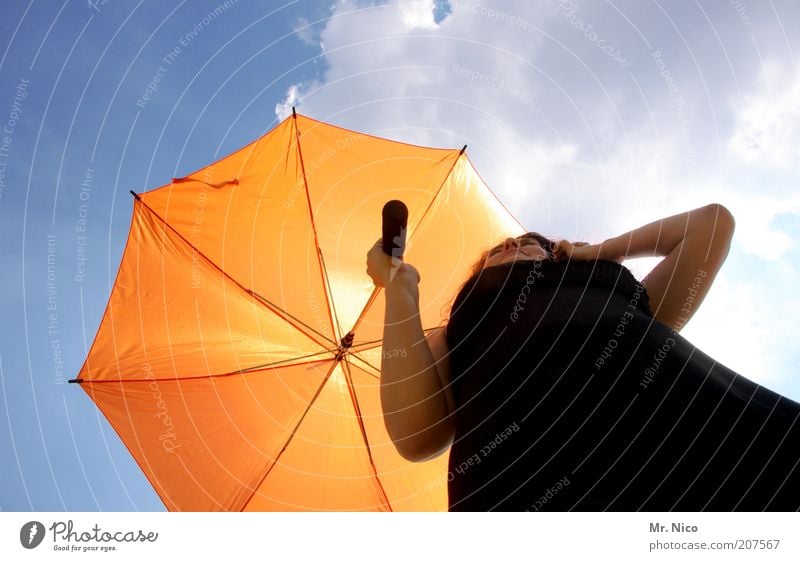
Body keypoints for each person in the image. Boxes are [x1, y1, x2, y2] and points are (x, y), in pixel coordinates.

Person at [366, 203, 800, 511]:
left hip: (715, 437)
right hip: (529, 489)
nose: (510, 246)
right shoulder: (458, 328)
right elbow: (416, 434)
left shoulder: (611, 287)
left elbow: (711, 225)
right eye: (494, 253)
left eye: (529, 242)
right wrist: (400, 286)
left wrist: (598, 252)